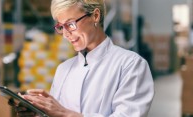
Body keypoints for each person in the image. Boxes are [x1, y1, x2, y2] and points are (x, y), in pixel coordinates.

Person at [9, 0, 154, 116]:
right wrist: (39, 113)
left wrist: (66, 114)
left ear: (95, 16)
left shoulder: (131, 65)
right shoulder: (64, 69)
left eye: (70, 24)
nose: (65, 34)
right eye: (60, 27)